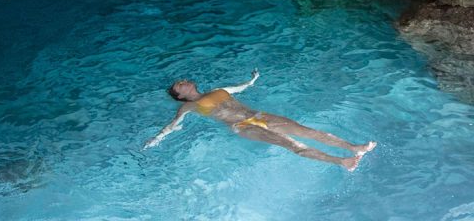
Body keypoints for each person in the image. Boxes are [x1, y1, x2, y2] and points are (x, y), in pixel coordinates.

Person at [143, 69, 376, 171]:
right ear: (180, 95)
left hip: (258, 115)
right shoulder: (189, 105)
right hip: (242, 126)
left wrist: (252, 81)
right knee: (292, 145)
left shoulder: (217, 89)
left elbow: (238, 88)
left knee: (305, 130)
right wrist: (157, 138)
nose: (183, 81)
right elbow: (173, 125)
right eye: (179, 85)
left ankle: (353, 147)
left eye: (182, 80)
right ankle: (342, 162)